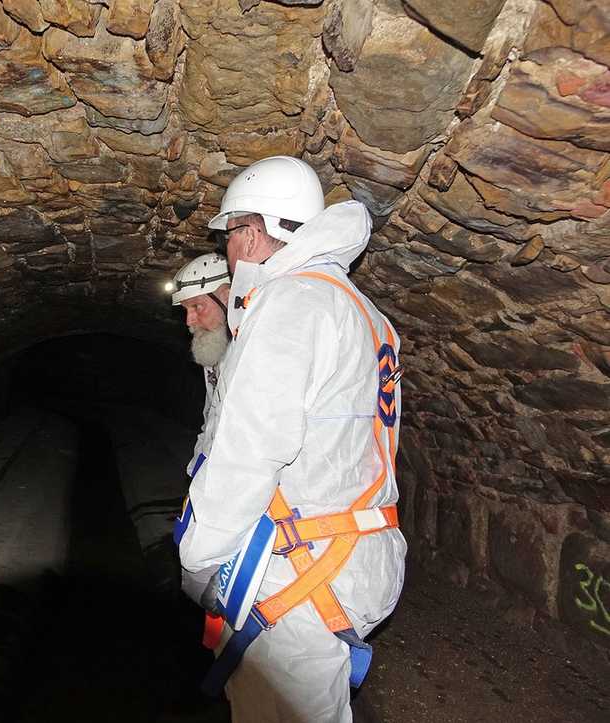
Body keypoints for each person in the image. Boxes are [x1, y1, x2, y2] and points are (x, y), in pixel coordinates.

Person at [176, 156, 406, 723]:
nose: (229, 249)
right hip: (352, 550)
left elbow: (253, 444)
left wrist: (199, 553)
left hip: (299, 562)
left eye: (229, 235)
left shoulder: (291, 303)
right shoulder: (365, 313)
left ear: (251, 235)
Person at [166, 253, 231, 480]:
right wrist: (196, 472)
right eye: (186, 310)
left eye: (197, 307)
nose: (189, 321)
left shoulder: (254, 350)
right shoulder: (214, 346)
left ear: (227, 297)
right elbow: (212, 420)